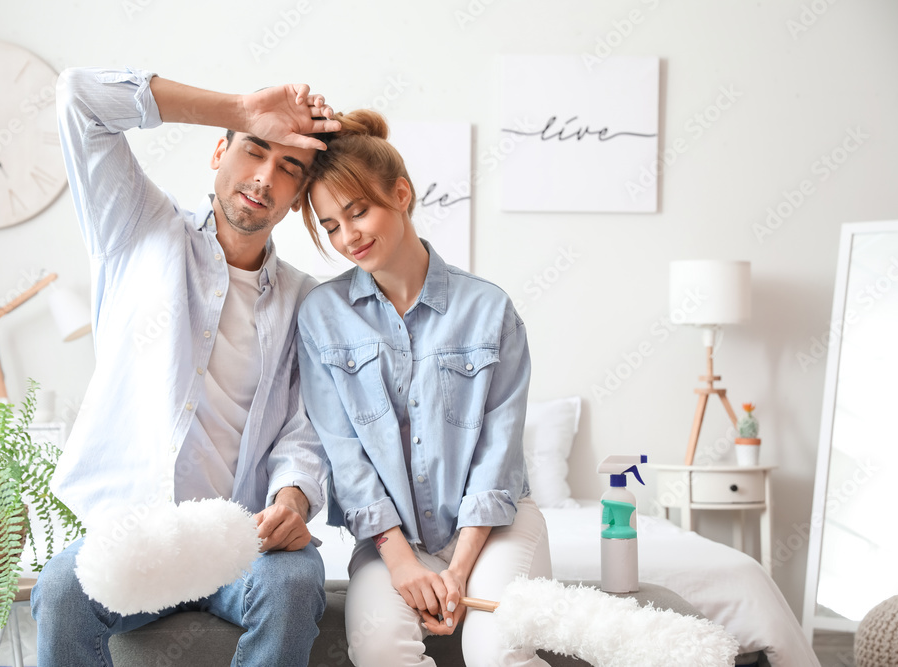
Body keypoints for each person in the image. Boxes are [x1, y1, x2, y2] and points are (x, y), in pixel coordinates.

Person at [31, 66, 340, 667]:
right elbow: (80, 97)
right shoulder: (136, 228)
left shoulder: (308, 301)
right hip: (134, 533)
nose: (264, 178)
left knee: (295, 584)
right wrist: (245, 105)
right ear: (220, 149)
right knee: (63, 589)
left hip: (241, 543)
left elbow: (304, 430)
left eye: (288, 169)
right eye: (254, 149)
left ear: (299, 195)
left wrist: (294, 499)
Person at [296, 110, 552, 666]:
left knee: (498, 650)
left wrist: (457, 571)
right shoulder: (322, 314)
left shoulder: (488, 308)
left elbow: (496, 451)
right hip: (391, 539)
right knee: (381, 647)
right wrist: (402, 563)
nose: (348, 236)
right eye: (332, 224)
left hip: (496, 527)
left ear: (402, 194)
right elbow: (344, 452)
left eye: (358, 211)